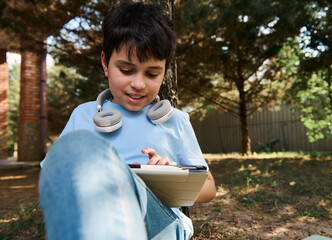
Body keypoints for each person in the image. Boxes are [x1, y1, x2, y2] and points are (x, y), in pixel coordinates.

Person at [39, 1, 216, 240]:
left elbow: (209, 188)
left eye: (152, 73)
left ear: (165, 71)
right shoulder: (83, 116)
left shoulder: (176, 121)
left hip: (160, 222)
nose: (139, 84)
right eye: (126, 70)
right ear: (105, 63)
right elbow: (53, 177)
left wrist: (171, 176)